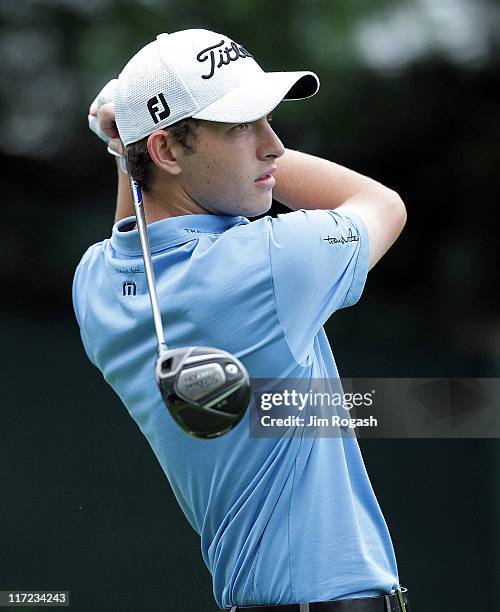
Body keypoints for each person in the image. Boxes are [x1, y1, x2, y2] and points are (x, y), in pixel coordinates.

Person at [74, 28, 409, 612]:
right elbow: (384, 204)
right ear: (169, 152)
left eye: (268, 121)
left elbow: (140, 228)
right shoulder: (269, 263)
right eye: (239, 126)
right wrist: (123, 141)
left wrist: (128, 147)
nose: (273, 146)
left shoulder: (95, 285)